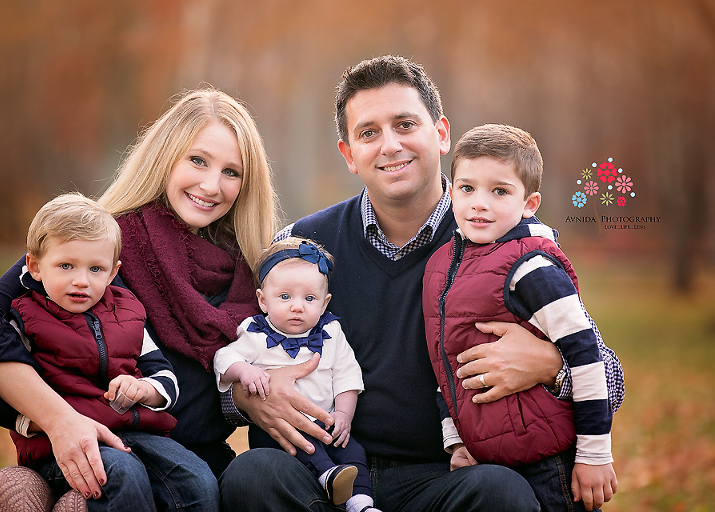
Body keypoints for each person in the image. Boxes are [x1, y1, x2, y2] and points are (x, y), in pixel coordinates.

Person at [218, 55, 624, 512]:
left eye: (405, 124)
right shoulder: (298, 246)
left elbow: (611, 374)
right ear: (349, 155)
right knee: (251, 476)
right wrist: (245, 397)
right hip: (327, 471)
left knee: (501, 493)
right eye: (369, 133)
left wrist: (551, 366)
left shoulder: (514, 242)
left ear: (441, 134)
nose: (390, 145)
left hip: (446, 475)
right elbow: (226, 373)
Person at [0, 87, 278, 511]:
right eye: (197, 160)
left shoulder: (256, 272)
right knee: (30, 494)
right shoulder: (99, 244)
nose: (211, 185)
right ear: (166, 157)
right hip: (95, 448)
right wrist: (60, 421)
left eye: (231, 172)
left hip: (191, 470)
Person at [422, 124, 617, 511]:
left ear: (529, 203)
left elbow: (587, 355)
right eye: (467, 188)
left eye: (499, 191)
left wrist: (594, 453)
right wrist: (457, 441)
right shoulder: (440, 267)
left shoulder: (533, 266)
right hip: (487, 462)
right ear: (450, 191)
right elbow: (444, 364)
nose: (479, 203)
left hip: (549, 464)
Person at [5, 192, 219, 511]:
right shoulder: (23, 319)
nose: (81, 281)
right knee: (123, 475)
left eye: (95, 269)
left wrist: (145, 389)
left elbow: (165, 377)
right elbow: (7, 397)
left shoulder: (130, 312)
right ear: (35, 266)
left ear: (112, 270)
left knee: (198, 479)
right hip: (65, 444)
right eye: (66, 265)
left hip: (139, 433)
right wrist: (43, 422)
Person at [214, 237, 381, 512]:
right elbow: (224, 357)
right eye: (284, 297)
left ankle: (360, 502)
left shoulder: (331, 334)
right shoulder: (255, 332)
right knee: (301, 445)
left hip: (325, 421)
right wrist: (244, 371)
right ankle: (328, 476)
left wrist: (343, 415)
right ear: (262, 300)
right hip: (276, 428)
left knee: (353, 452)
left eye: (310, 298)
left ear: (325, 303)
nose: (297, 306)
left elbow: (347, 376)